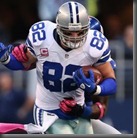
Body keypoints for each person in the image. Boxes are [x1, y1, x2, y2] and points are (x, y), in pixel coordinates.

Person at [0, 1, 117, 134]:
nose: (75, 37)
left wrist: (92, 94)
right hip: (50, 110)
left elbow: (101, 107)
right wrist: (9, 56)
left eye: (80, 32)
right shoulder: (44, 37)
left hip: (83, 114)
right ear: (59, 27)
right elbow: (26, 63)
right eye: (70, 31)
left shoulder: (97, 53)